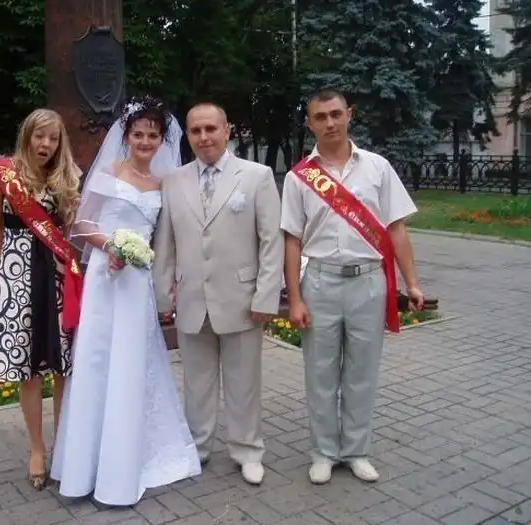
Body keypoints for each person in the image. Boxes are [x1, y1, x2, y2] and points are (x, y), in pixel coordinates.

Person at [50, 95, 201, 506]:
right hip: (105, 276)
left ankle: (124, 464)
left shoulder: (163, 185)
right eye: (139, 134)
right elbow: (81, 225)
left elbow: (166, 237)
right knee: (98, 359)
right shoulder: (109, 173)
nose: (145, 142)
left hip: (137, 282)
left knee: (131, 362)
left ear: (162, 141)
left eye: (153, 135)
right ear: (127, 137)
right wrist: (110, 246)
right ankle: (85, 466)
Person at [281, 88, 425, 485]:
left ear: (349, 115)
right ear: (310, 123)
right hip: (320, 282)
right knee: (320, 373)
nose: (329, 123)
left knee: (362, 372)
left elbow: (396, 228)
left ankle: (357, 451)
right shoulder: (299, 178)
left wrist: (413, 283)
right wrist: (295, 298)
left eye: (336, 114)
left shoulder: (377, 168)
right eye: (320, 117)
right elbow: (292, 240)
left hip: (368, 282)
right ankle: (324, 452)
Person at [153, 102, 284, 485]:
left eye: (211, 128)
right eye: (196, 130)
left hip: (242, 299)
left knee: (244, 382)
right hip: (192, 298)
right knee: (197, 383)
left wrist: (266, 296)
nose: (204, 136)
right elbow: (166, 243)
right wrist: (162, 295)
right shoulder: (173, 181)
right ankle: (197, 447)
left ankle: (248, 450)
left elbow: (271, 241)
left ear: (227, 130)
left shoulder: (256, 176)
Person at [0, 108, 84, 490]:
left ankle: (64, 445)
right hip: (18, 278)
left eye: (53, 138)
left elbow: (70, 231)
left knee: (62, 366)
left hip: (57, 278)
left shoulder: (68, 177)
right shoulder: (1, 175)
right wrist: (8, 272)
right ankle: (37, 450)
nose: (46, 144)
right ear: (26, 136)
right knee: (27, 369)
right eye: (39, 136)